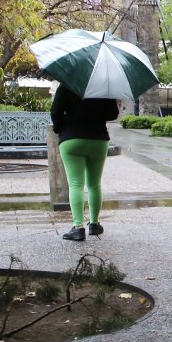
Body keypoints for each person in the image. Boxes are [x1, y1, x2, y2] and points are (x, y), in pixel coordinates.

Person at [50, 85, 119, 241]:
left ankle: (78, 227)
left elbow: (55, 112)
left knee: (76, 184)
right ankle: (94, 224)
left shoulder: (67, 84)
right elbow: (113, 113)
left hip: (72, 139)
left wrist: (61, 128)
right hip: (98, 139)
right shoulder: (104, 86)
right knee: (94, 184)